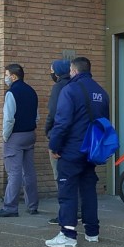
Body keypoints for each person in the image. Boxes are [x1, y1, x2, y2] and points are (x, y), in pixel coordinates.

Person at [46, 56, 109, 247]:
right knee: (88, 191)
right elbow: (104, 123)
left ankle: (68, 235)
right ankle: (92, 232)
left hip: (72, 149)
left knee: (67, 192)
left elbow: (62, 122)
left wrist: (54, 146)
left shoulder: (70, 90)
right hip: (91, 150)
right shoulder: (101, 92)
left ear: (73, 71)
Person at [0, 63, 39, 218]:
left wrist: (5, 136)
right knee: (29, 172)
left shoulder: (11, 93)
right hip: (30, 134)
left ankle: (10, 207)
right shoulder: (32, 91)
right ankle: (32, 205)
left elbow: (9, 118)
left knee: (14, 173)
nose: (5, 78)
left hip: (15, 136)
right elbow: (36, 116)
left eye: (6, 75)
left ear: (13, 76)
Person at [44, 59, 72, 225]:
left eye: (52, 70)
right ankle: (77, 210)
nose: (51, 73)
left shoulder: (59, 87)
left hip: (59, 137)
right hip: (75, 139)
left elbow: (53, 113)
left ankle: (65, 212)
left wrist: (48, 131)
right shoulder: (75, 85)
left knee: (60, 177)